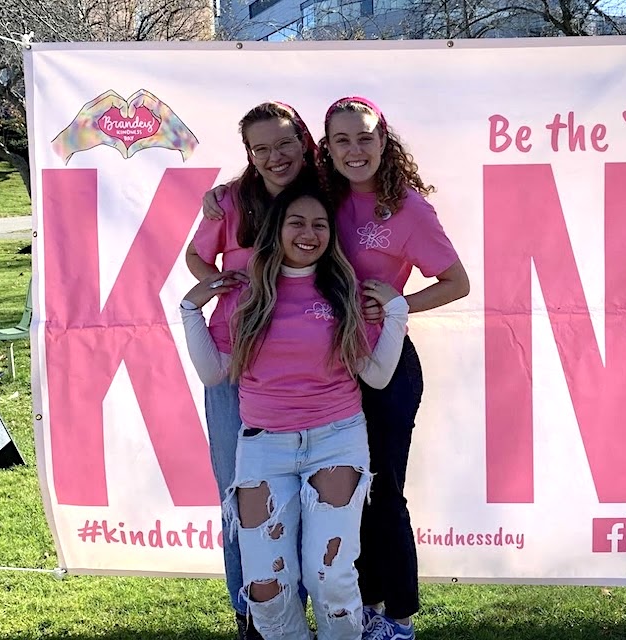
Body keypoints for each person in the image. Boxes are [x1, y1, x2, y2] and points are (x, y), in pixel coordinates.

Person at [203, 96, 470, 640]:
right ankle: (278, 615)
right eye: (341, 140)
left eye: (365, 137)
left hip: (381, 366)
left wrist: (397, 304)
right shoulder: (323, 195)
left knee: (382, 493)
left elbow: (456, 281)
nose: (355, 149)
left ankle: (393, 617)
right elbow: (267, 173)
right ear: (323, 148)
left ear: (384, 139)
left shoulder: (407, 207)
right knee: (301, 504)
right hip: (318, 368)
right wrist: (222, 195)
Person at [181, 183, 410, 640]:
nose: (309, 234)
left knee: (332, 579)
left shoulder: (345, 291)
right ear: (276, 230)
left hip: (336, 441)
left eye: (320, 225)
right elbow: (215, 372)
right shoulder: (243, 296)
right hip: (264, 449)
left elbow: (378, 375)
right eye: (297, 223)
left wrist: (397, 310)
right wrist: (190, 308)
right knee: (264, 588)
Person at [186, 101, 319, 640]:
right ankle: (252, 619)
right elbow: (198, 258)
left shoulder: (323, 197)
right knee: (238, 497)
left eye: (283, 143)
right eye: (260, 148)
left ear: (304, 142)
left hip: (303, 367)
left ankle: (296, 612)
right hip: (233, 361)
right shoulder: (230, 200)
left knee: (301, 497)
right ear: (248, 154)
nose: (274, 156)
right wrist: (217, 282)